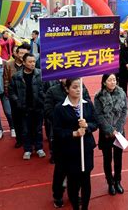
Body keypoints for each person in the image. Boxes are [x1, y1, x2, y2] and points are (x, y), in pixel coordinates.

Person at [53, 78, 98, 210]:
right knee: (73, 184)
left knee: (86, 182)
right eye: (74, 87)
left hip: (86, 150)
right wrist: (73, 133)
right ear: (67, 89)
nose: (78, 90)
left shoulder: (88, 104)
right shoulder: (60, 108)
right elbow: (57, 131)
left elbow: (95, 123)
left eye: (80, 87)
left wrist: (87, 126)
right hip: (69, 152)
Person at [45, 79, 91, 207]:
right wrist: (68, 123)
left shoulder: (81, 86)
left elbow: (88, 108)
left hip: (81, 142)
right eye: (74, 87)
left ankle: (75, 196)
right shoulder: (52, 91)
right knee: (61, 171)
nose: (78, 89)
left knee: (80, 175)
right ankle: (58, 195)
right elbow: (48, 111)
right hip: (64, 142)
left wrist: (84, 124)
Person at [94, 74, 128, 196]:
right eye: (110, 80)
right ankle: (110, 182)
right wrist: (109, 129)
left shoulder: (122, 93)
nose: (113, 82)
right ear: (104, 82)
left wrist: (118, 128)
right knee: (107, 159)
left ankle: (118, 181)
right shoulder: (98, 96)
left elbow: (125, 111)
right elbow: (98, 115)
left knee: (118, 158)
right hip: (106, 133)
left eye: (114, 80)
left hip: (119, 132)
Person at [9, 53, 46, 160]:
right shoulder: (17, 76)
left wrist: (42, 99)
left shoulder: (40, 74)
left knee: (38, 129)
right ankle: (28, 150)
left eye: (34, 61)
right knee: (25, 130)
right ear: (24, 62)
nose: (32, 64)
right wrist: (18, 101)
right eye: (30, 62)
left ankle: (39, 148)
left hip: (38, 107)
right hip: (24, 108)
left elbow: (46, 89)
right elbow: (11, 91)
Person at [3, 43, 30, 147]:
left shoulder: (28, 64)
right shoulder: (9, 65)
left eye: (25, 53)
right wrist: (9, 95)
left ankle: (29, 139)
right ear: (17, 54)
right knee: (17, 120)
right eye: (21, 53)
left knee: (28, 120)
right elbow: (6, 80)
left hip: (27, 97)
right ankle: (19, 140)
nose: (22, 55)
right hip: (14, 97)